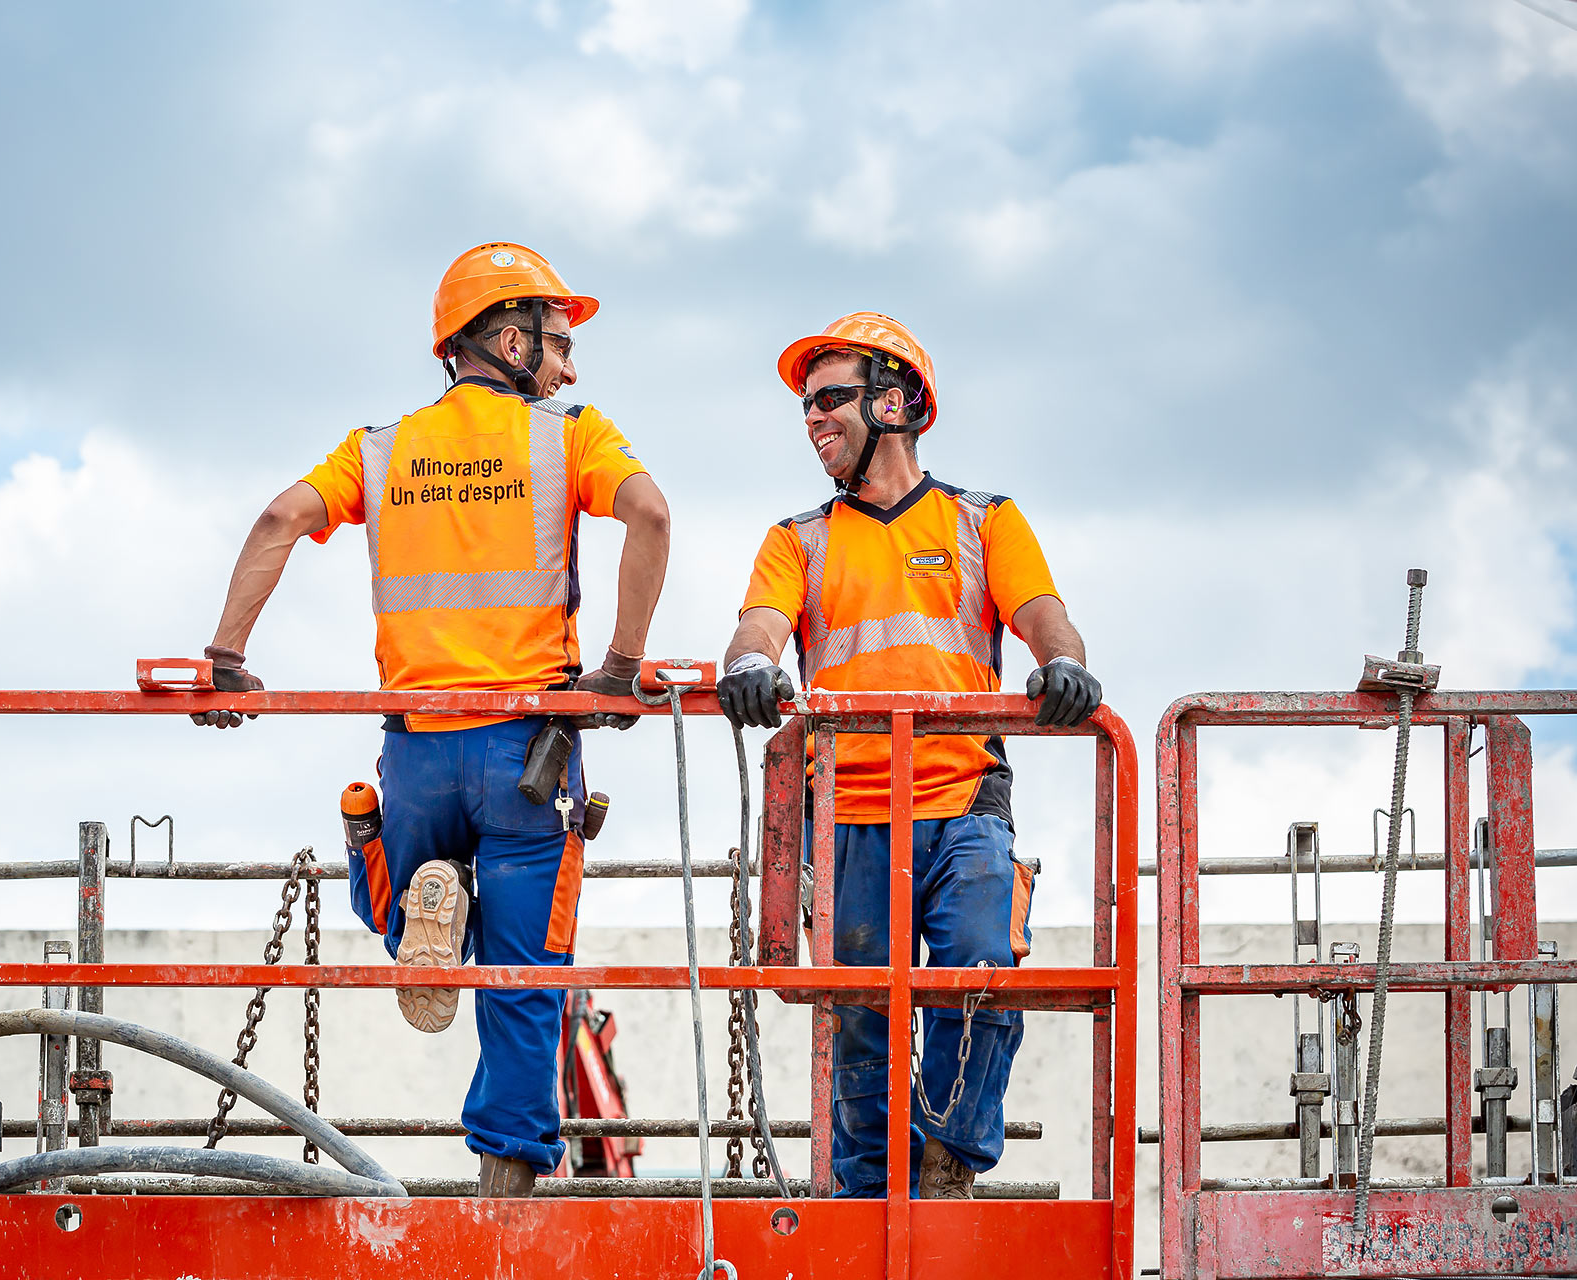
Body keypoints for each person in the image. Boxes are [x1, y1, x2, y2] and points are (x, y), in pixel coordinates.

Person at [193, 243, 672, 1196]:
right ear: (508, 337)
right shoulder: (567, 434)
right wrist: (619, 668)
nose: (570, 367)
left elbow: (278, 520)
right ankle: (506, 1194)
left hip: (415, 750)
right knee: (527, 980)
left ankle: (421, 890)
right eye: (560, 342)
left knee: (405, 915)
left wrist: (226, 662)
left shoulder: (379, 446)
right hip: (526, 753)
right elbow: (651, 516)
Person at [715, 312, 1100, 1199]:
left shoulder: (982, 520)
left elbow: (1043, 612)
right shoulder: (798, 539)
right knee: (860, 1017)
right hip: (847, 812)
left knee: (982, 973)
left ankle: (946, 1165)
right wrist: (748, 667)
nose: (814, 420)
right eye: (806, 408)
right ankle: (863, 1200)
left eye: (830, 401)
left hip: (964, 797)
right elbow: (760, 625)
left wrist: (1065, 664)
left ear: (894, 402)